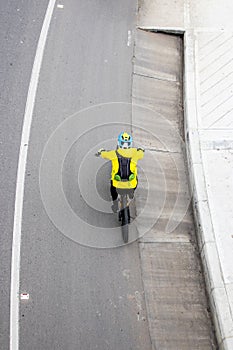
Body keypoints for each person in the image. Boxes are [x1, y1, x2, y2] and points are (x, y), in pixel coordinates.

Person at [96, 132, 145, 212]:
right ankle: (131, 194)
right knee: (135, 178)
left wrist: (100, 151)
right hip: (131, 184)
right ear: (130, 144)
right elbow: (141, 153)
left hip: (117, 185)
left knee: (112, 188)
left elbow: (103, 154)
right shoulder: (135, 153)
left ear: (119, 143)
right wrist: (141, 150)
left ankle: (115, 205)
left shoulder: (113, 154)